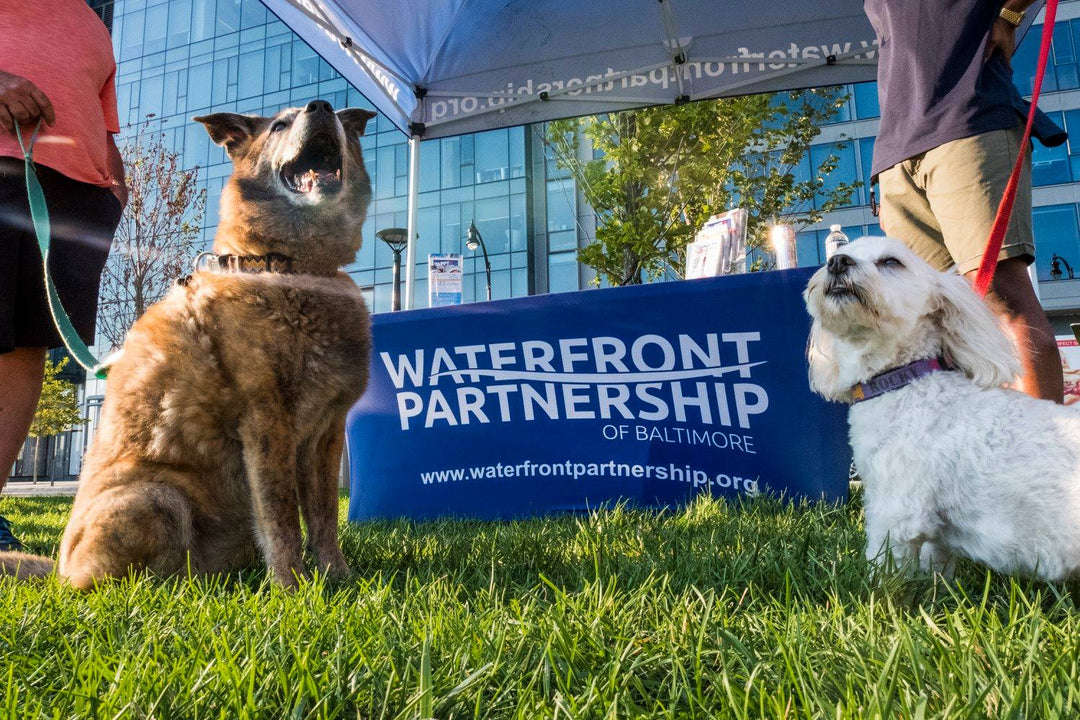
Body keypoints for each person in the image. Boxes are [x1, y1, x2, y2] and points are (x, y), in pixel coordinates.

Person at [866, 0, 1066, 403]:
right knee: (925, 320)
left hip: (969, 119)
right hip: (897, 148)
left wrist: (1008, 16)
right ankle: (962, 455)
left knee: (999, 297)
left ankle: (1043, 455)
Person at [0, 1, 126, 550]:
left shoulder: (92, 24)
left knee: (26, 346)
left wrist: (113, 190)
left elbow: (103, 122)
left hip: (73, 199)